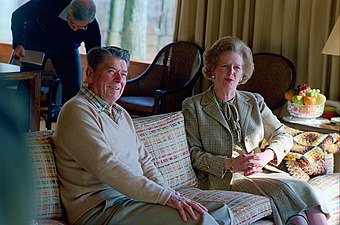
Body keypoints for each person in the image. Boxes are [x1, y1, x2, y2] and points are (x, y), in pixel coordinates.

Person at [52, 46, 233, 225]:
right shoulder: (77, 110)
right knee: (199, 219)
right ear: (90, 74)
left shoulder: (121, 114)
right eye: (111, 71)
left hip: (133, 200)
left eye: (123, 74)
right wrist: (164, 197)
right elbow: (107, 166)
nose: (118, 79)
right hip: (101, 209)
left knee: (221, 212)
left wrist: (169, 193)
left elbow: (145, 161)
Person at [182, 36, 329, 225]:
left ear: (243, 73)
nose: (231, 73)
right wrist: (230, 164)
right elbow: (193, 154)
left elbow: (281, 134)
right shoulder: (193, 106)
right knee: (289, 189)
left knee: (304, 197)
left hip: (261, 171)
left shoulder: (254, 101)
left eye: (237, 68)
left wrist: (268, 155)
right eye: (225, 66)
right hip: (226, 178)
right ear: (213, 69)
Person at [11, 0, 101, 104]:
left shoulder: (92, 25)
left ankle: (66, 117)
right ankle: (24, 118)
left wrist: (93, 70)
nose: (75, 30)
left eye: (81, 27)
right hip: (35, 42)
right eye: (72, 23)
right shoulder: (47, 3)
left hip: (67, 49)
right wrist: (18, 44)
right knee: (28, 83)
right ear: (69, 11)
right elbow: (18, 16)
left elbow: (95, 52)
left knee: (73, 87)